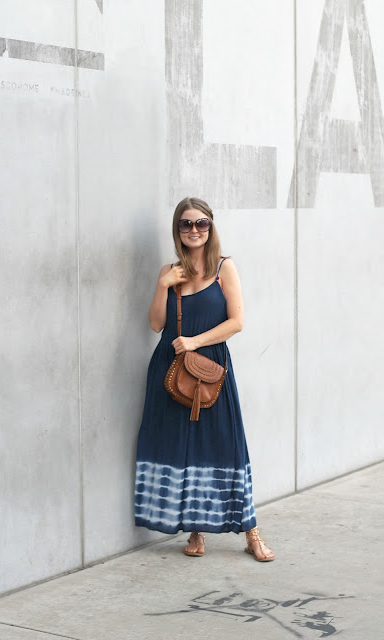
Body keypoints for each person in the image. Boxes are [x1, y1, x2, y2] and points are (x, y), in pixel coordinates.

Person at [134, 196, 274, 561]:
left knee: (227, 447)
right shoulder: (170, 271)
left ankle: (251, 532)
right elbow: (155, 324)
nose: (194, 230)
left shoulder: (224, 267)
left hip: (210, 369)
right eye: (186, 223)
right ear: (177, 229)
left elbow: (237, 322)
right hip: (170, 370)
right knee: (181, 448)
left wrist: (195, 341)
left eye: (201, 223)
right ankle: (196, 531)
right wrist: (163, 284)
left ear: (210, 227)